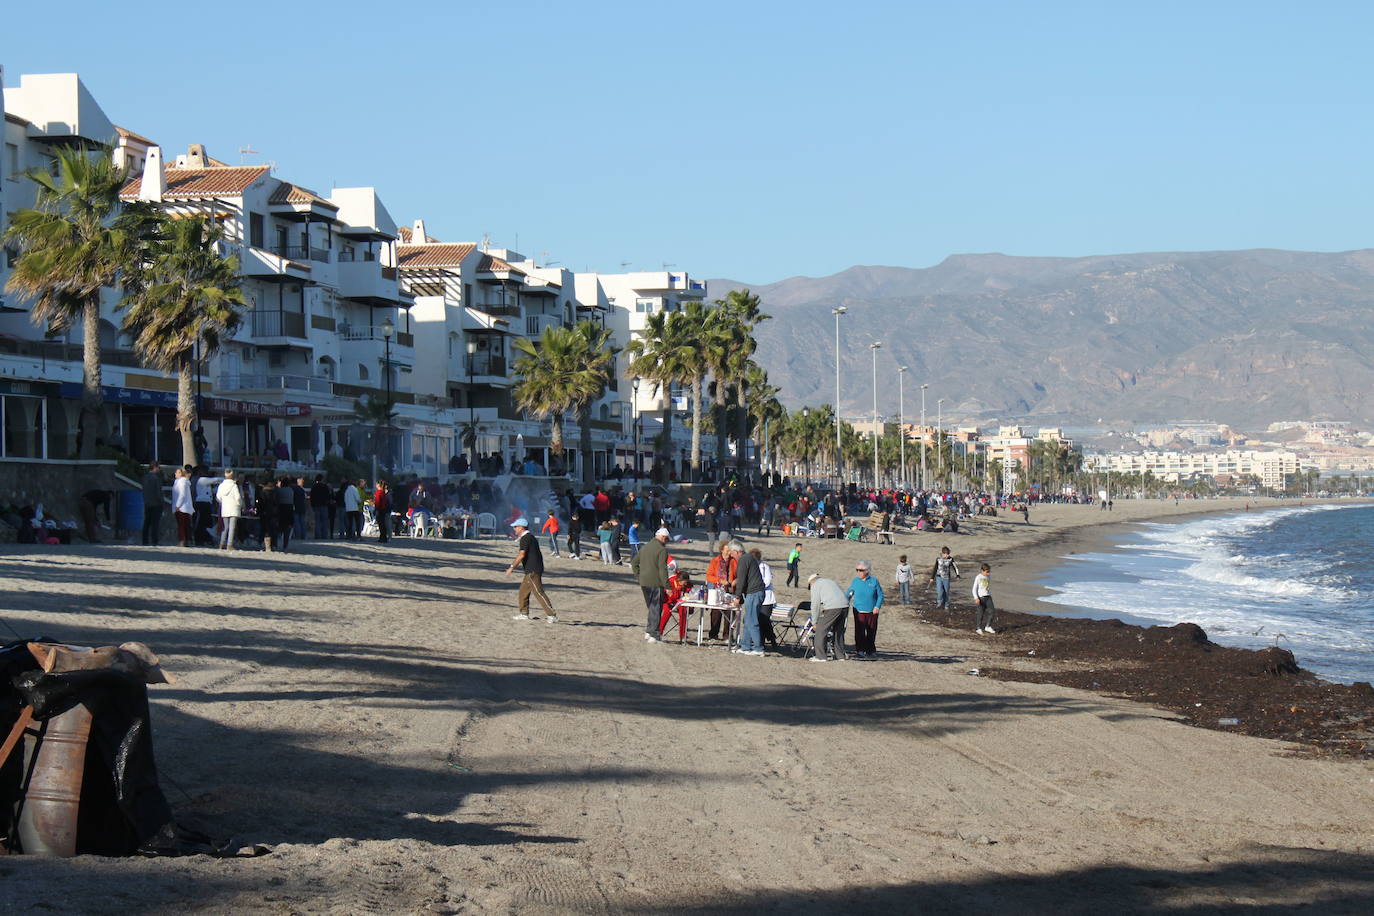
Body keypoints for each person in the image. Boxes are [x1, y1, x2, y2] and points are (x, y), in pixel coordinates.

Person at [506, 517, 557, 623]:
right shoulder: (530, 537)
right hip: (532, 569)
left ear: (521, 527)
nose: (514, 529)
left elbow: (521, 555)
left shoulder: (526, 538)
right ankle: (524, 614)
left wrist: (511, 567)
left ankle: (552, 615)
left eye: (515, 527)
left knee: (538, 592)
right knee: (523, 592)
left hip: (532, 569)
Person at [632, 526, 671, 642]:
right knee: (656, 608)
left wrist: (639, 577)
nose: (667, 542)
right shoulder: (662, 550)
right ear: (663, 537)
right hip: (656, 582)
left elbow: (634, 563)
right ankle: (654, 634)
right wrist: (667, 586)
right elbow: (662, 569)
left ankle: (649, 631)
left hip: (644, 582)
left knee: (651, 608)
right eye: (667, 539)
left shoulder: (645, 547)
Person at [729, 540, 766, 656]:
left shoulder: (744, 559)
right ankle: (745, 647)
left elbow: (741, 580)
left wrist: (737, 597)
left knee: (752, 621)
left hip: (754, 593)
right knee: (748, 620)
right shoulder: (748, 558)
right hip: (754, 593)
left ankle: (758, 648)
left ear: (736, 551)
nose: (730, 555)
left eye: (731, 553)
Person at [806, 574, 849, 662]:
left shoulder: (815, 585)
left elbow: (815, 605)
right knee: (838, 631)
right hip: (845, 606)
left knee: (821, 629)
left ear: (811, 582)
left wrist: (814, 622)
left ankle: (820, 657)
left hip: (833, 607)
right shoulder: (830, 581)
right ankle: (840, 656)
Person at [847, 560, 884, 659]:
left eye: (861, 570)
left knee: (871, 631)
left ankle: (871, 650)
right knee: (859, 631)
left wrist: (877, 606)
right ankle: (860, 650)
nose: (859, 572)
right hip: (858, 611)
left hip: (872, 611)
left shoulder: (874, 581)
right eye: (857, 570)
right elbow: (849, 593)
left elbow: (880, 595)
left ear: (867, 571)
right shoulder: (855, 581)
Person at [705, 540, 736, 642]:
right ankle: (713, 634)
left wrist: (733, 581)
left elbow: (738, 575)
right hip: (717, 590)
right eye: (727, 550)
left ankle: (727, 635)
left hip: (730, 590)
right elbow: (709, 576)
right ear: (722, 550)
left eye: (730, 550)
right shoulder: (715, 561)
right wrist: (719, 580)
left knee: (729, 613)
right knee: (715, 613)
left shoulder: (734, 561)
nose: (728, 553)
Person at [751, 548, 778, 648]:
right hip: (754, 596)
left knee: (764, 619)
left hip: (766, 598)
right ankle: (761, 641)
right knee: (757, 619)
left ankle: (771, 638)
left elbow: (768, 580)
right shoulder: (751, 567)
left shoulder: (764, 567)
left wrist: (758, 587)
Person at [216, 470, 243, 550]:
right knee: (232, 527)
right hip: (233, 507)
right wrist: (239, 505)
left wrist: (223, 502)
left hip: (225, 508)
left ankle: (221, 543)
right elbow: (237, 497)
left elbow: (218, 497)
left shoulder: (221, 486)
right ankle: (229, 544)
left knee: (225, 527)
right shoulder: (234, 486)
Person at [929, 546, 961, 611]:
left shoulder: (951, 559)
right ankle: (939, 602)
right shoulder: (938, 559)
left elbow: (955, 567)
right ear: (943, 553)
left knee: (946, 592)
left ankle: (946, 604)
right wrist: (932, 577)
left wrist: (957, 575)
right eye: (946, 554)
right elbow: (935, 568)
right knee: (939, 591)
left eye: (948, 554)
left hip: (946, 578)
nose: (948, 555)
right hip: (938, 577)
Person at [141, 463, 165, 546]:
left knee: (146, 522)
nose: (159, 469)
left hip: (147, 502)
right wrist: (161, 501)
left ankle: (145, 540)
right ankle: (154, 540)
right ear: (154, 467)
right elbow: (158, 492)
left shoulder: (145, 477)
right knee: (155, 523)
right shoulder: (156, 478)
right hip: (156, 503)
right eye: (158, 467)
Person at [171, 467, 194, 547]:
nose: (175, 474)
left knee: (181, 525)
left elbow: (182, 494)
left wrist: (177, 505)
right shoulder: (181, 482)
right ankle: (186, 540)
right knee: (185, 525)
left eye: (177, 472)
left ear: (181, 474)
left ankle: (182, 540)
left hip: (181, 507)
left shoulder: (181, 482)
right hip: (185, 507)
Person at [973, 563, 996, 635]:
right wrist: (976, 598)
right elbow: (974, 589)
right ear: (982, 571)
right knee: (980, 613)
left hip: (988, 596)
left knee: (992, 611)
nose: (988, 573)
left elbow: (986, 587)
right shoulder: (978, 577)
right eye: (987, 572)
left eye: (989, 571)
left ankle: (988, 626)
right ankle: (978, 628)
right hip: (981, 598)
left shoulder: (988, 577)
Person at [310, 475, 332, 539]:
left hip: (316, 505)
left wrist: (312, 505)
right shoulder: (325, 486)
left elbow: (312, 496)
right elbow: (328, 496)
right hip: (324, 505)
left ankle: (317, 535)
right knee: (324, 521)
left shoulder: (314, 486)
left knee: (317, 521)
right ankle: (324, 535)